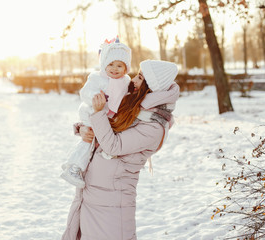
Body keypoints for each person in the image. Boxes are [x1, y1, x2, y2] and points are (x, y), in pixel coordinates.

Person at [62, 60, 180, 240]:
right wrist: (82, 129)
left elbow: (112, 145)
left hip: (112, 204)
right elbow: (106, 127)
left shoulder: (154, 127)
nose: (133, 80)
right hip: (91, 194)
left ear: (151, 87)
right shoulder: (133, 105)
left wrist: (98, 112)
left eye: (140, 77)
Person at [60, 39, 132, 188]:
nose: (114, 69)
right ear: (104, 64)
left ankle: (73, 162)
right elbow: (85, 93)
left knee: (102, 140)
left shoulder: (125, 81)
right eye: (111, 64)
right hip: (92, 113)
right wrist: (96, 98)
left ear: (126, 69)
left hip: (110, 119)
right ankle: (74, 167)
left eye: (119, 65)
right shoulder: (97, 78)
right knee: (89, 140)